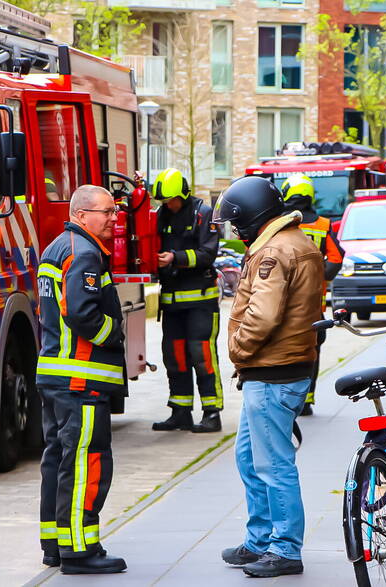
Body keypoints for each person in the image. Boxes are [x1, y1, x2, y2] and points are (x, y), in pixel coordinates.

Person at [212, 175, 324, 578]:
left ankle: (285, 548)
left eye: (235, 222)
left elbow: (263, 314)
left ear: (248, 217)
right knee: (248, 457)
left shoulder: (273, 251)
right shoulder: (296, 241)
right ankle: (260, 540)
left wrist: (238, 350)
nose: (234, 229)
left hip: (273, 372)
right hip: (280, 369)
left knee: (273, 464)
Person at [36, 185, 128, 575]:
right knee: (86, 462)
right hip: (81, 379)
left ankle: (56, 544)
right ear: (80, 215)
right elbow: (82, 313)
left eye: (114, 211)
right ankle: (79, 550)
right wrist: (115, 335)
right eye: (106, 211)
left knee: (57, 461)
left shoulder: (56, 248)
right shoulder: (85, 253)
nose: (113, 218)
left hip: (57, 375)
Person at [149, 168, 223, 434]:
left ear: (183, 194)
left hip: (201, 302)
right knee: (175, 357)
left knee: (202, 356)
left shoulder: (203, 214)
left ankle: (212, 413)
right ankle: (180, 412)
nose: (167, 205)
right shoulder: (161, 216)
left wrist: (175, 258)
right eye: (163, 201)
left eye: (170, 200)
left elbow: (207, 253)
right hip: (172, 303)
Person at [280, 173, 345, 415]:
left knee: (287, 347)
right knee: (312, 350)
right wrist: (317, 276)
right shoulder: (323, 224)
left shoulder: (280, 223)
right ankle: (306, 400)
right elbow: (336, 258)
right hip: (314, 306)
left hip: (285, 303)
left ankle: (288, 396)